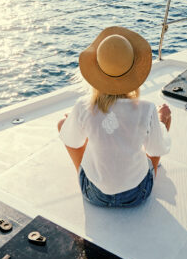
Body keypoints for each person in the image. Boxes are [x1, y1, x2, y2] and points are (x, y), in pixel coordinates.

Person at [58, 26, 171, 208]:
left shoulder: (83, 106)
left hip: (94, 194)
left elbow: (72, 140)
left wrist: (76, 119)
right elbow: (157, 148)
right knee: (163, 119)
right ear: (133, 71)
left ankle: (84, 171)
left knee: (63, 124)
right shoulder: (147, 109)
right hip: (137, 194)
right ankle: (153, 170)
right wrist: (161, 120)